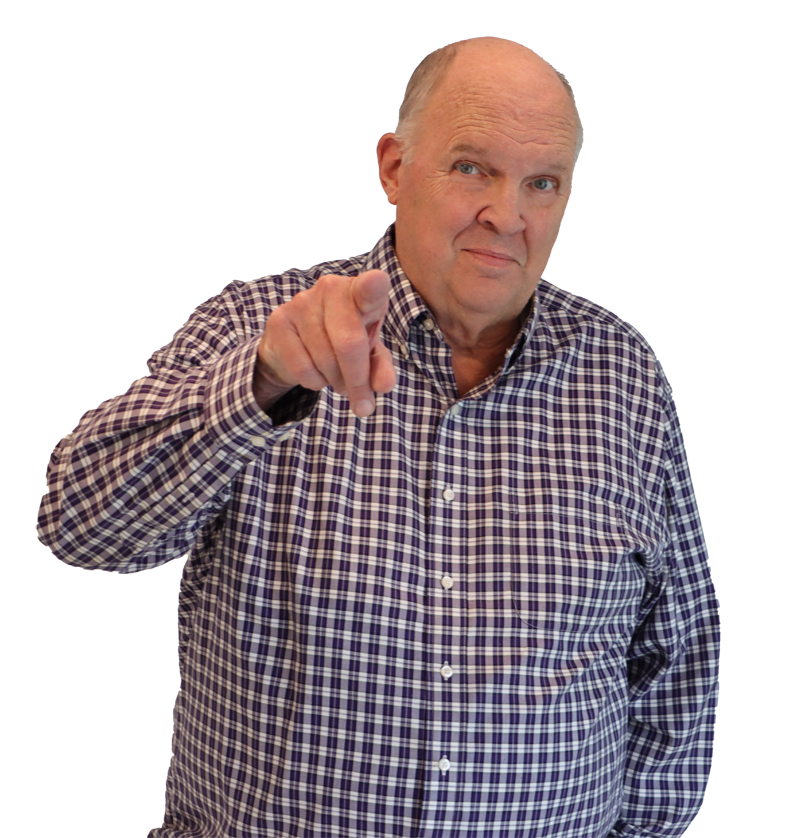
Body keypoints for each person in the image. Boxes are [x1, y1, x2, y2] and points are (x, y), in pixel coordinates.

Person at [37, 37, 719, 838]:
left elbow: (678, 660)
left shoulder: (622, 376)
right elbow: (79, 523)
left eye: (543, 182)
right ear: (395, 168)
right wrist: (260, 382)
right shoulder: (261, 329)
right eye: (472, 168)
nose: (509, 215)